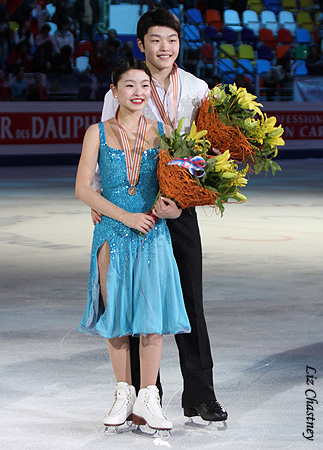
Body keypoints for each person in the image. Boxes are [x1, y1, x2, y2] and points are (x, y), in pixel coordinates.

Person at [93, 8, 228, 423]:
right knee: (138, 304)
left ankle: (200, 396)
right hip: (135, 211)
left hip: (179, 207)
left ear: (179, 44)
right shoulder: (123, 88)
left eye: (171, 40)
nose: (164, 47)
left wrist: (189, 195)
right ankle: (141, 396)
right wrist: (100, 202)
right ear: (141, 44)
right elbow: (107, 151)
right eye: (155, 40)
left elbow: (208, 149)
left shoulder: (196, 87)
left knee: (190, 302)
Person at [75, 57, 191, 432]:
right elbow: (82, 189)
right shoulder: (97, 132)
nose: (138, 92)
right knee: (117, 320)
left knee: (152, 321)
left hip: (152, 235)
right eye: (130, 85)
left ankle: (149, 399)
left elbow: (174, 188)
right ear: (114, 91)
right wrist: (123, 216)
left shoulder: (163, 131)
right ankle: (123, 394)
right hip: (112, 234)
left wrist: (170, 208)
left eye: (144, 86)